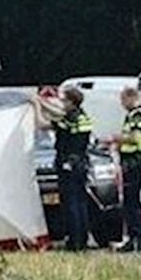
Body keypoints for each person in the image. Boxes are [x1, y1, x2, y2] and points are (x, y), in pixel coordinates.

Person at [33, 88, 95, 252]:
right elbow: (58, 112)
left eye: (64, 100)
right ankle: (82, 240)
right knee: (81, 203)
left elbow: (41, 124)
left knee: (71, 204)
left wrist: (36, 106)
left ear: (71, 102)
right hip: (81, 163)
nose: (62, 103)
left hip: (67, 164)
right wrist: (42, 102)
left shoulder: (68, 120)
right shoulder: (82, 116)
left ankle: (74, 242)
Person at [112, 87, 141, 253]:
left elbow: (136, 138)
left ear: (130, 98)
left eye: (123, 100)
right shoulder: (132, 115)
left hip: (134, 161)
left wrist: (117, 139)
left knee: (132, 202)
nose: (122, 104)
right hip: (132, 161)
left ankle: (136, 238)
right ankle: (136, 239)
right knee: (131, 201)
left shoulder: (138, 115)